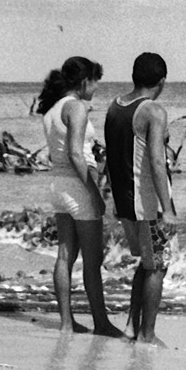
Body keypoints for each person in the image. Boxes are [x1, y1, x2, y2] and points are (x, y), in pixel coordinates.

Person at [38, 56, 123, 337]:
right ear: (86, 80)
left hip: (57, 185)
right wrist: (95, 194)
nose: (96, 87)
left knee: (64, 255)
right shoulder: (76, 107)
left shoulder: (52, 108)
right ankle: (101, 323)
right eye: (95, 81)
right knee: (92, 260)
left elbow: (61, 150)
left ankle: (66, 322)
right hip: (77, 185)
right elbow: (76, 153)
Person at [103, 52, 175, 345]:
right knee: (157, 266)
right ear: (162, 81)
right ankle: (148, 334)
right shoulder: (153, 112)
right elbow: (157, 163)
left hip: (125, 202)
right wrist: (167, 209)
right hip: (147, 204)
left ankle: (133, 327)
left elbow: (111, 157)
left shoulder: (114, 106)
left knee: (146, 264)